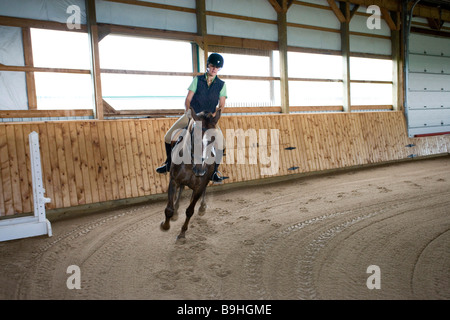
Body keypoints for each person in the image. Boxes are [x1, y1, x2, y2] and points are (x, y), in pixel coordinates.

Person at [156, 53, 227, 183]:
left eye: (217, 68)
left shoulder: (221, 85)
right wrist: (189, 112)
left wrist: (215, 115)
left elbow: (222, 104)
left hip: (208, 119)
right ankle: (168, 163)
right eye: (212, 66)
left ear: (219, 69)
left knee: (222, 144)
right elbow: (188, 99)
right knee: (168, 136)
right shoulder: (197, 80)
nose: (214, 69)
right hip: (193, 115)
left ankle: (215, 172)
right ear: (208, 66)